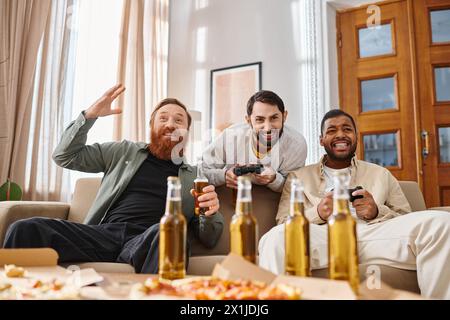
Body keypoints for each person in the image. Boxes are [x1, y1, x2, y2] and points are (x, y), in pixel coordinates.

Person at [3, 84, 224, 274]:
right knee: (24, 229)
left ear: (186, 132)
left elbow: (209, 238)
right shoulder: (123, 151)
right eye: (163, 118)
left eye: (179, 120)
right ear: (151, 126)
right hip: (101, 235)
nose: (170, 124)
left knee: (169, 232)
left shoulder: (195, 176)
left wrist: (210, 213)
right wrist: (89, 116)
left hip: (149, 240)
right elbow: (65, 156)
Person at [258, 109, 450, 299]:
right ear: (321, 140)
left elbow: (404, 216)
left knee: (442, 223)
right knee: (275, 238)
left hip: (375, 235)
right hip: (324, 237)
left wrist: (376, 211)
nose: (340, 134)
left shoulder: (380, 173)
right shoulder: (298, 177)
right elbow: (283, 222)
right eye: (332, 130)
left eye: (347, 129)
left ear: (356, 136)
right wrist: (318, 212)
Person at [202, 90, 307, 193]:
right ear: (248, 120)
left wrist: (274, 179)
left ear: (284, 116)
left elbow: (294, 189)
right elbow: (200, 172)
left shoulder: (296, 144)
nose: (267, 128)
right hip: (232, 192)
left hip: (274, 197)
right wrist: (224, 176)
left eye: (274, 118)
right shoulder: (231, 136)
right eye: (260, 119)